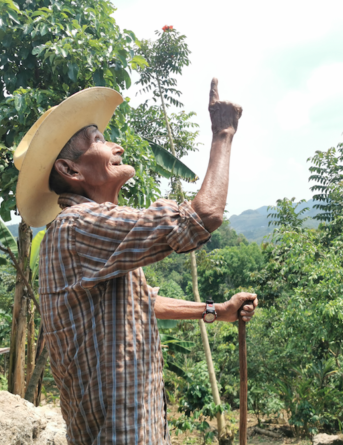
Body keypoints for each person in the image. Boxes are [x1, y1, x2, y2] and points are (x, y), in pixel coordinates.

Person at [14, 79, 258, 445]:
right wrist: (223, 133)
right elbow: (203, 216)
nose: (117, 146)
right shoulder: (78, 226)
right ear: (71, 170)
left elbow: (143, 302)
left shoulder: (84, 232)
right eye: (98, 140)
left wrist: (216, 310)